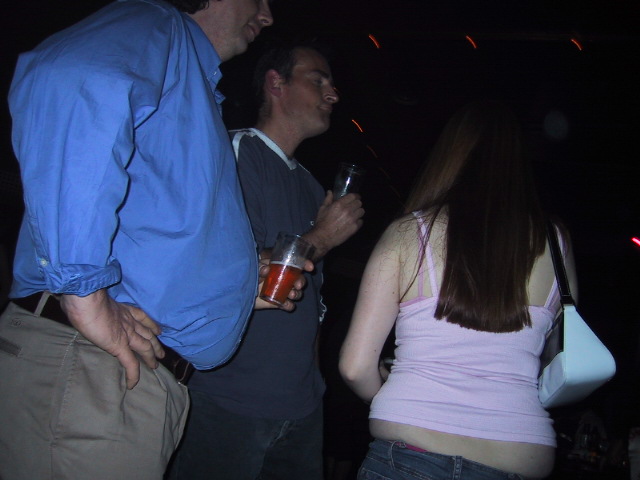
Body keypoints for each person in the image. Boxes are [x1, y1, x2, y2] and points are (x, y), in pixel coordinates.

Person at [0, 0, 301, 479]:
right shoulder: (159, 24)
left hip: (123, 378)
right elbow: (73, 76)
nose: (266, 15)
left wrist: (240, 284)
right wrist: (85, 292)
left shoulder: (189, 81)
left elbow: (153, 232)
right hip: (95, 366)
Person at [339, 100, 579, 480]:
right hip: (519, 454)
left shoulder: (408, 233)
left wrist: (396, 397)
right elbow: (557, 357)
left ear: (450, 154)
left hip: (408, 457)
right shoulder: (556, 241)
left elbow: (354, 367)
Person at [169, 43, 365, 479]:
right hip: (228, 398)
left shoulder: (312, 187)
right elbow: (229, 269)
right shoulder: (236, 152)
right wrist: (322, 237)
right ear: (276, 84)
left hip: (301, 406)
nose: (333, 94)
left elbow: (312, 302)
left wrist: (314, 385)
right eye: (318, 80)